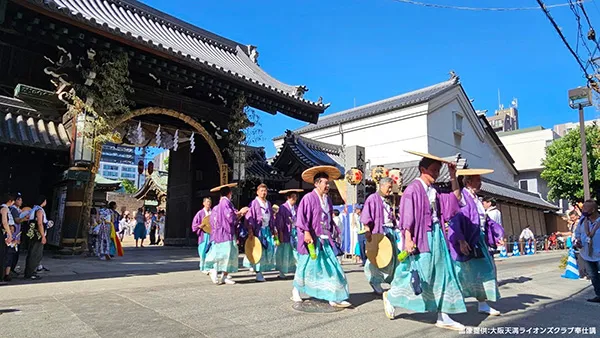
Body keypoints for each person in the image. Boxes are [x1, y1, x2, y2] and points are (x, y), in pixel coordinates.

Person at [382, 151, 467, 331]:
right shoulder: (413, 189)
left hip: (437, 235)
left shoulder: (434, 191)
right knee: (422, 272)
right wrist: (407, 237)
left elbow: (455, 199)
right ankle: (391, 296)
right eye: (433, 170)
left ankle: (444, 314)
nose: (436, 173)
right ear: (422, 169)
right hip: (422, 236)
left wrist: (453, 176)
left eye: (438, 170)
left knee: (444, 273)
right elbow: (407, 215)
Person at [292, 165, 351, 308]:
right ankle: (296, 290)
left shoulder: (328, 200)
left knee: (332, 266)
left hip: (325, 238)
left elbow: (329, 218)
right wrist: (306, 232)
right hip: (311, 238)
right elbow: (301, 217)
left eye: (328, 183)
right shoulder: (308, 198)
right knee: (305, 266)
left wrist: (334, 231)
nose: (328, 185)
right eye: (325, 182)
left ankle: (333, 296)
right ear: (317, 183)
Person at [447, 170, 504, 317]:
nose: (480, 182)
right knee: (460, 273)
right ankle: (448, 302)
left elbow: (485, 220)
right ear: (468, 182)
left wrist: (498, 234)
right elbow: (455, 219)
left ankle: (482, 303)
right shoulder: (462, 198)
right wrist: (461, 239)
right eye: (477, 180)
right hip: (468, 239)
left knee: (485, 271)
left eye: (480, 179)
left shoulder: (476, 199)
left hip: (479, 239)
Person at [360, 177, 401, 295]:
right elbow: (366, 217)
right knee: (375, 259)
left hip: (390, 231)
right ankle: (375, 281)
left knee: (392, 258)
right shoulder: (372, 199)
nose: (390, 190)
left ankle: (392, 281)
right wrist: (367, 230)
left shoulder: (389, 199)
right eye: (388, 187)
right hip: (378, 232)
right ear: (381, 186)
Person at [205, 183, 249, 285]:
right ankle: (215, 271)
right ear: (229, 193)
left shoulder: (217, 206)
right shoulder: (225, 203)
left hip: (220, 234)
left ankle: (224, 275)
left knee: (226, 254)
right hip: (225, 234)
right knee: (223, 254)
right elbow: (230, 217)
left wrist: (239, 214)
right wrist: (240, 212)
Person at [243, 183, 277, 282]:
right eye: (261, 191)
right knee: (258, 251)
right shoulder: (254, 203)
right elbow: (249, 217)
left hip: (266, 230)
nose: (263, 193)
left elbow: (271, 218)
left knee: (267, 250)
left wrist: (273, 228)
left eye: (265, 191)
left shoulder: (268, 203)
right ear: (257, 192)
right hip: (258, 230)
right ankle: (258, 273)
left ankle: (260, 270)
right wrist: (250, 230)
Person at [574, 199, 600, 303]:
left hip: (599, 253)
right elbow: (578, 234)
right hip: (586, 254)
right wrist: (578, 241)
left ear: (593, 210)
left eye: (585, 208)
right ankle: (599, 294)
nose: (583, 209)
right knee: (593, 276)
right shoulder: (582, 221)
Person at [274, 189, 302, 278]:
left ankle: (297, 270)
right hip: (286, 232)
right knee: (284, 252)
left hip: (295, 232)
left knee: (296, 252)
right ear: (288, 198)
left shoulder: (296, 207)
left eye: (296, 197)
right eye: (293, 197)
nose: (295, 198)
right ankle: (282, 271)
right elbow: (279, 221)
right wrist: (280, 233)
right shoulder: (283, 207)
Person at [24, 196, 48, 280]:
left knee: (32, 253)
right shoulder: (39, 210)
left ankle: (29, 272)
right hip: (37, 235)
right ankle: (30, 273)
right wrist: (43, 236)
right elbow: (40, 224)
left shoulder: (33, 209)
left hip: (31, 234)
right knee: (36, 254)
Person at [191, 197, 212, 274]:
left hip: (211, 234)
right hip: (203, 234)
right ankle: (203, 266)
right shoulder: (200, 213)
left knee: (211, 251)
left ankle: (209, 266)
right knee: (203, 250)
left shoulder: (212, 212)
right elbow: (194, 224)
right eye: (207, 202)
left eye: (209, 202)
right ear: (203, 203)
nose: (208, 204)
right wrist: (199, 226)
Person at [8, 193, 25, 276]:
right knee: (13, 253)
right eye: (19, 200)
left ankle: (11, 269)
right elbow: (17, 220)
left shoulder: (17, 210)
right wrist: (25, 218)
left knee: (14, 253)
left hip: (16, 233)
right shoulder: (13, 210)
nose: (21, 201)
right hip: (14, 234)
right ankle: (9, 270)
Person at [1, 193, 16, 281]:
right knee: (5, 255)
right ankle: (3, 276)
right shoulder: (5, 209)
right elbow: (5, 223)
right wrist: (9, 234)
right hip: (4, 234)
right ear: (10, 201)